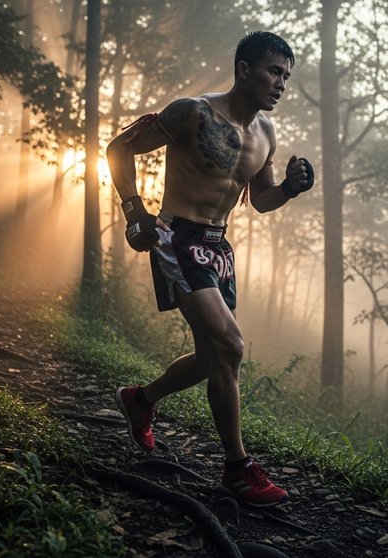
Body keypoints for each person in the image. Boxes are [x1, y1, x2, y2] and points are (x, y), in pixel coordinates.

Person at [105, 31, 313, 508]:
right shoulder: (192, 112)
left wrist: (289, 189)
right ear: (244, 69)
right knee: (231, 346)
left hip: (218, 249)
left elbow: (260, 200)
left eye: (286, 75)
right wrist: (135, 212)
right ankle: (238, 469)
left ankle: (140, 400)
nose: (281, 83)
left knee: (210, 357)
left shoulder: (266, 134)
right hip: (176, 236)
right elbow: (119, 149)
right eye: (273, 71)